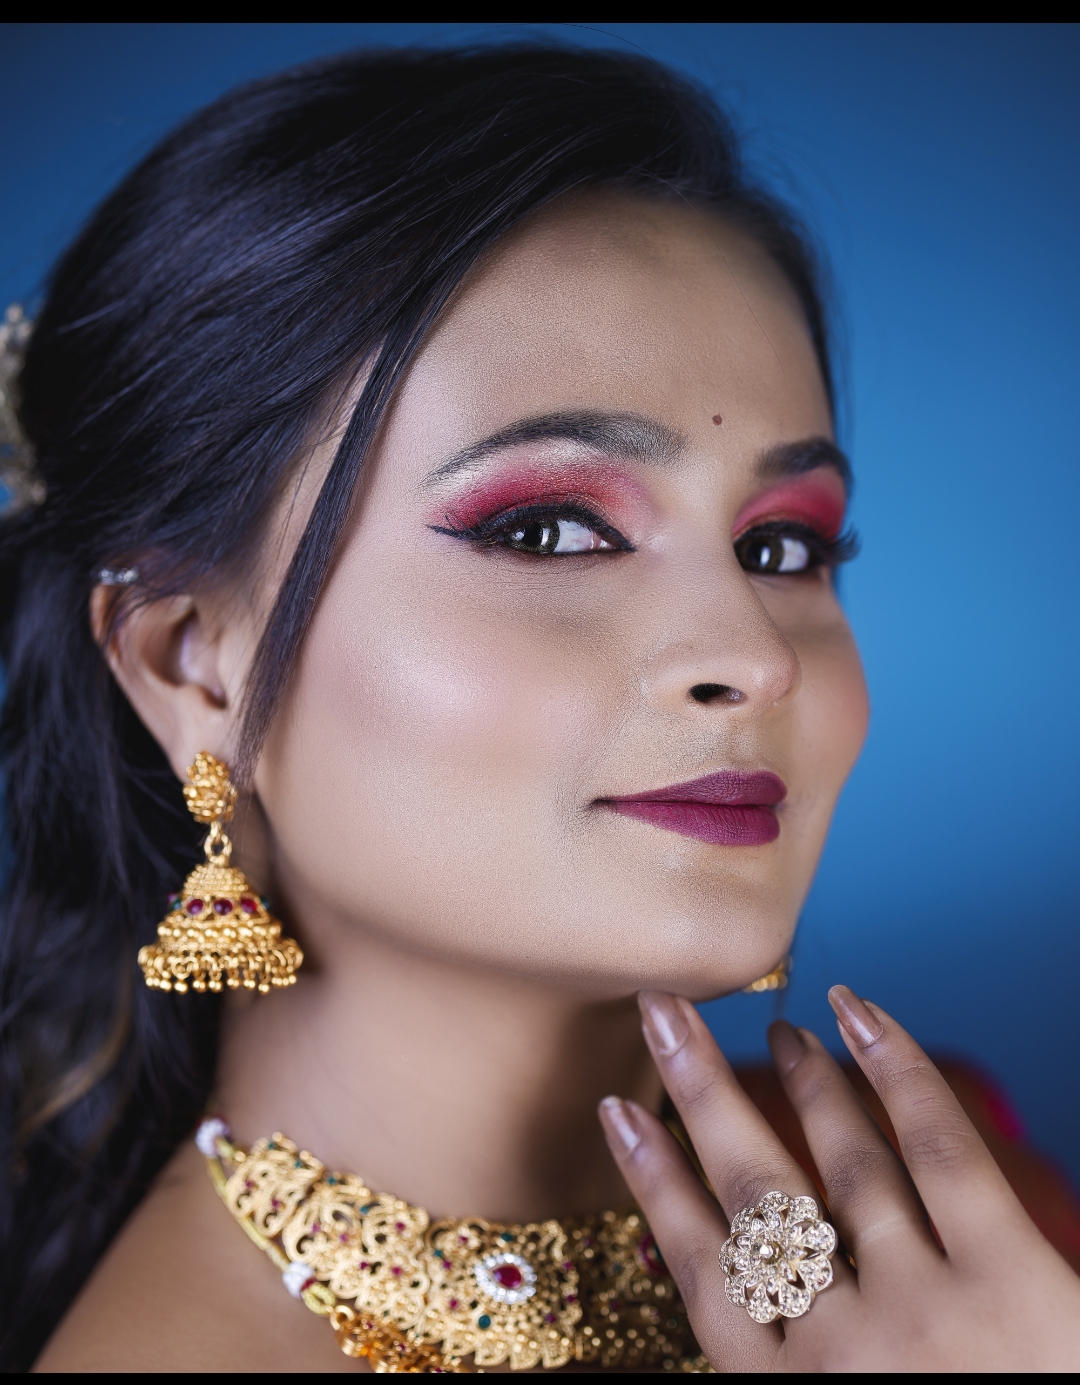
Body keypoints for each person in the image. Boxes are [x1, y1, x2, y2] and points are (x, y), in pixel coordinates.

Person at [1, 44, 1077, 1374]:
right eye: (550, 531)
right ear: (191, 667)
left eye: (781, 545)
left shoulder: (955, 1246)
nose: (754, 656)